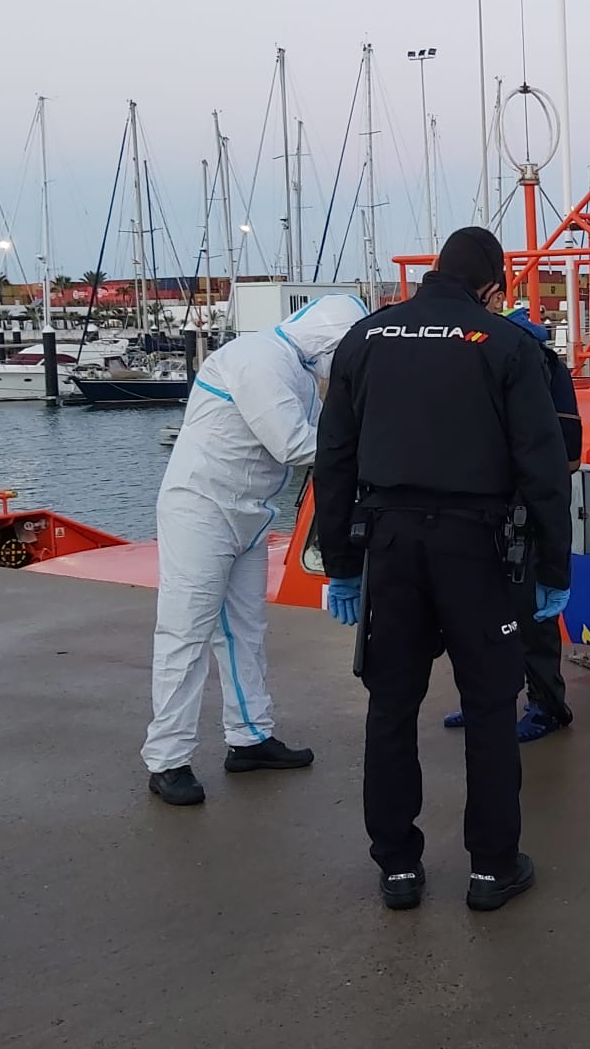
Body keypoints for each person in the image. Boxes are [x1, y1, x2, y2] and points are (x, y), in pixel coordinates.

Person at [314, 227, 572, 913]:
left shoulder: (365, 340)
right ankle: (492, 868)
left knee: (391, 704)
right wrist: (553, 568)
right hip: (480, 549)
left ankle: (397, 866)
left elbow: (334, 459)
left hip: (389, 545)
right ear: (490, 285)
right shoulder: (509, 346)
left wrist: (341, 564)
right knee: (490, 705)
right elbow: (542, 468)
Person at [141, 292, 368, 807]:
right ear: (331, 343)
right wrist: (373, 446)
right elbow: (293, 444)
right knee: (186, 633)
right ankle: (167, 759)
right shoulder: (257, 358)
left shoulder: (299, 372)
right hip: (201, 510)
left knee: (244, 629)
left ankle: (249, 736)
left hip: (246, 513)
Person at [441, 297, 582, 741]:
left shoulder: (526, 357)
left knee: (531, 615)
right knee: (481, 612)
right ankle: (490, 698)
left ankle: (546, 705)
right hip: (483, 501)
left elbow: (556, 444)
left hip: (519, 503)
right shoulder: (505, 350)